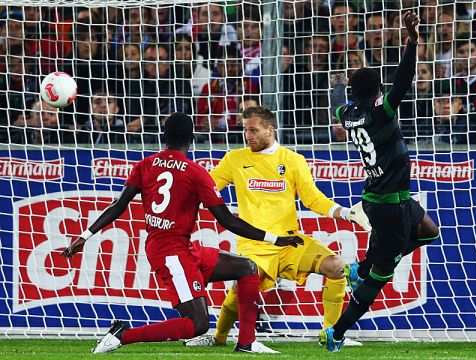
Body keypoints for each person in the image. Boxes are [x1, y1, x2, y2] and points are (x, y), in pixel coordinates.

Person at [61, 112, 303, 354]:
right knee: (197, 325)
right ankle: (122, 335)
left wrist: (85, 236)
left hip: (180, 248)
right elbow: (227, 220)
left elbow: (118, 205)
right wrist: (275, 239)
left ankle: (247, 342)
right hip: (171, 255)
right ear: (192, 138)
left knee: (247, 268)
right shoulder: (195, 172)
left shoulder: (145, 165)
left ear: (164, 136)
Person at [184, 106, 371, 348]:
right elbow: (206, 186)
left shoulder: (293, 161)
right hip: (255, 244)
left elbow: (313, 198)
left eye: (253, 130)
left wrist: (345, 213)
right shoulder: (235, 159)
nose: (247, 136)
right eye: (245, 130)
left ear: (271, 129)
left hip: (288, 242)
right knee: (240, 290)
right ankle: (218, 338)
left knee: (336, 267)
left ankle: (332, 334)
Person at [321, 12, 440, 352]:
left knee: (430, 231)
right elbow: (402, 83)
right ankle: (338, 331)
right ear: (377, 93)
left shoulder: (347, 115)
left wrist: (340, 81)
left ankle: (364, 264)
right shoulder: (380, 112)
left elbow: (338, 101)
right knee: (380, 277)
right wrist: (412, 42)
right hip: (389, 205)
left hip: (386, 196)